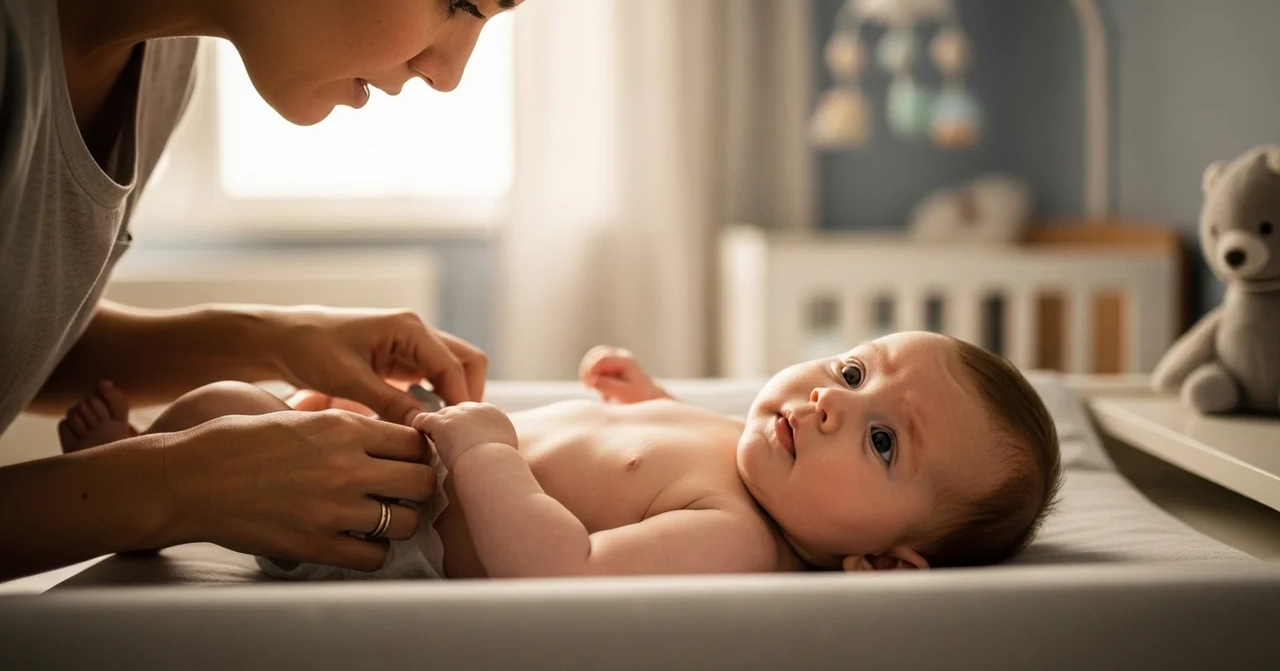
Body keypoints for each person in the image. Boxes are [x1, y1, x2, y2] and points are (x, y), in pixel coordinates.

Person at [0, 0, 556, 582]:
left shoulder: (160, 59)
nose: (448, 75)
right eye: (459, 0)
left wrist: (277, 340)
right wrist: (172, 485)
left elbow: (19, 339)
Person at [62, 332, 1063, 578]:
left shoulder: (734, 538)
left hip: (387, 516)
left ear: (884, 563)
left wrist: (486, 445)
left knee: (237, 413)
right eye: (851, 370)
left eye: (883, 438)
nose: (827, 403)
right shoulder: (758, 454)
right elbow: (672, 447)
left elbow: (561, 567)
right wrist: (650, 399)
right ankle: (146, 458)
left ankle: (154, 490)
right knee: (231, 402)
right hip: (411, 451)